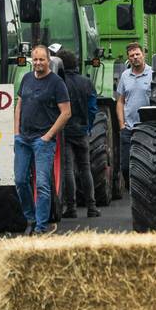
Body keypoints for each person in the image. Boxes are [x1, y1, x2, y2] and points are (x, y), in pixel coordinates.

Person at [14, 44, 70, 235]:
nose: (38, 63)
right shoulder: (26, 78)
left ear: (48, 60)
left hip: (42, 141)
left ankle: (40, 226)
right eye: (35, 60)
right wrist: (16, 133)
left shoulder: (56, 83)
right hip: (23, 139)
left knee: (42, 185)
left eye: (41, 60)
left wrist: (48, 136)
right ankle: (30, 217)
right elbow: (19, 105)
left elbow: (66, 113)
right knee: (20, 181)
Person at [57, 49, 100, 218]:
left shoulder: (59, 83)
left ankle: (71, 208)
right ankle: (92, 207)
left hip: (65, 132)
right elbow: (92, 108)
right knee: (85, 168)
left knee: (67, 169)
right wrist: (88, 126)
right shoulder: (87, 82)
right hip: (82, 131)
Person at [115, 42, 152, 186]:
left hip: (147, 128)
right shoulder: (125, 76)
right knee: (125, 166)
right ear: (128, 58)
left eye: (137, 54)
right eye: (132, 55)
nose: (135, 57)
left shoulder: (153, 74)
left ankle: (143, 190)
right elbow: (120, 101)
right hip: (128, 129)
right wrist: (121, 125)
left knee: (146, 164)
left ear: (143, 55)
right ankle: (132, 189)